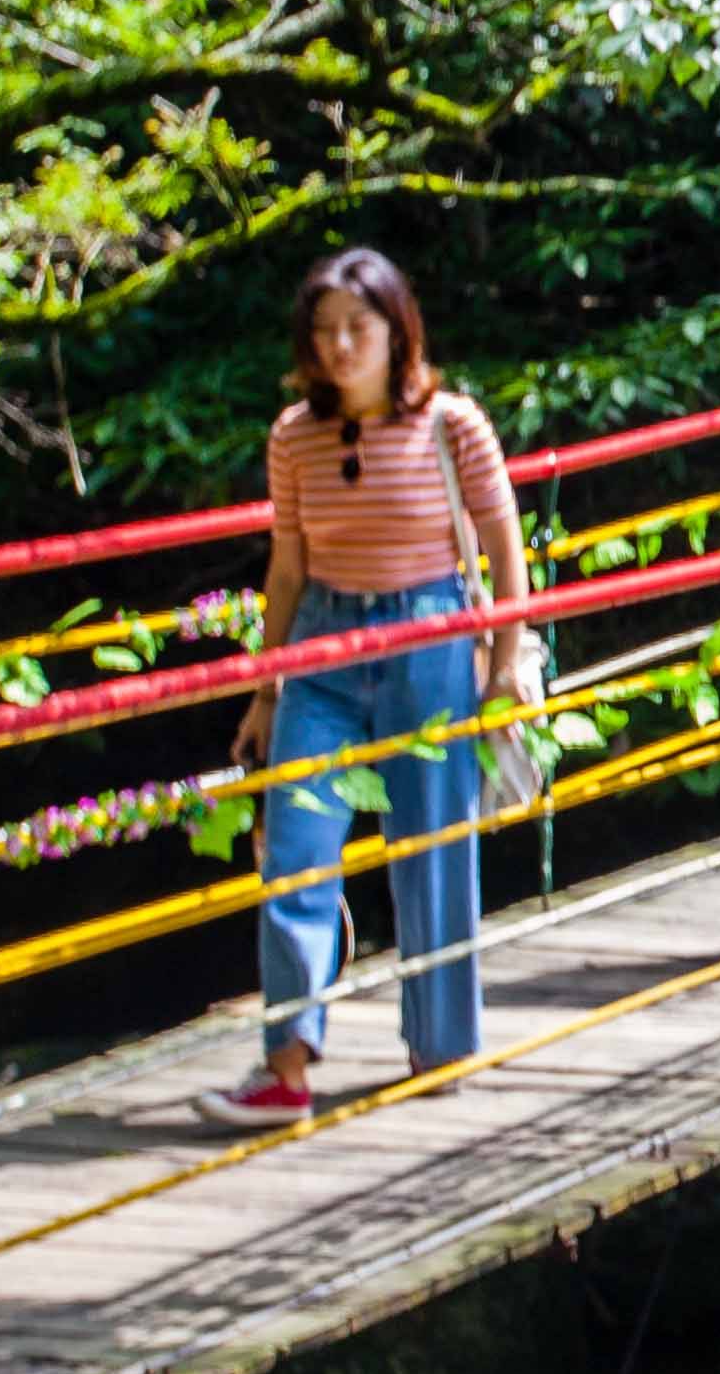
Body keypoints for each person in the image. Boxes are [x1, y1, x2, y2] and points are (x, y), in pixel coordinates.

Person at [197, 247, 529, 1129]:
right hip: (324, 647)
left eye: (359, 327)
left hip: (429, 640)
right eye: (325, 331)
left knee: (432, 848)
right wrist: (267, 690)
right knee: (297, 848)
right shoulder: (294, 435)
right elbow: (288, 568)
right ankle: (286, 1065)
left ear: (396, 329)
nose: (341, 346)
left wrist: (504, 661)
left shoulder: (452, 424)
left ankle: (441, 1047)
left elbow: (503, 547)